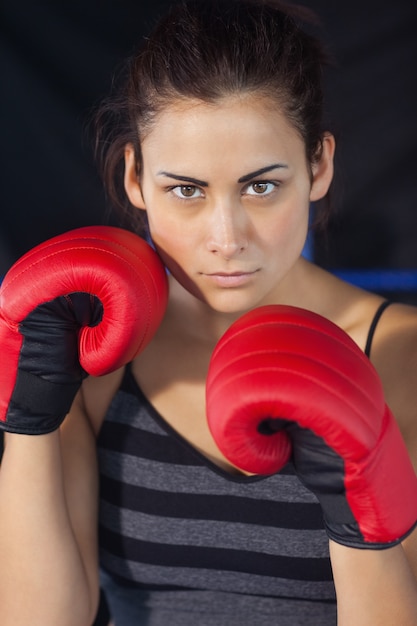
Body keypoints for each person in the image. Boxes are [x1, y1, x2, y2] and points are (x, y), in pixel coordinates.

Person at [1, 1, 417, 625]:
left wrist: (361, 531)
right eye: (187, 190)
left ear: (318, 166)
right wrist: (30, 418)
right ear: (137, 178)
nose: (226, 237)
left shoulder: (400, 356)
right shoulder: (100, 353)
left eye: (261, 185)